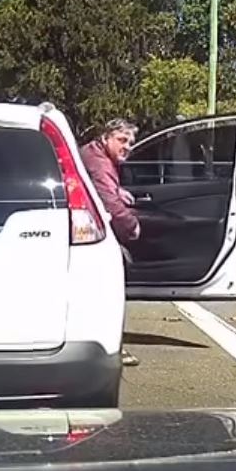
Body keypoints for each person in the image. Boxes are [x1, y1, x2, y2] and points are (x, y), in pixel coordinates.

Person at [79, 118, 142, 367]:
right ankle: (111, 345)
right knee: (116, 272)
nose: (127, 146)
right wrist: (131, 226)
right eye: (122, 140)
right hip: (86, 233)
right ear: (106, 138)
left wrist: (118, 191)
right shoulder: (99, 162)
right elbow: (110, 204)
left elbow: (105, 190)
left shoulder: (95, 154)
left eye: (131, 142)